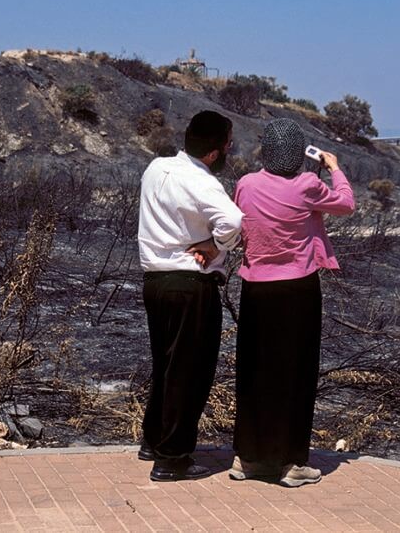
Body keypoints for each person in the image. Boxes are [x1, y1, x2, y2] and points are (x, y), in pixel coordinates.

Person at [229, 118, 355, 487]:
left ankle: (248, 458)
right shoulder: (308, 184)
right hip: (297, 289)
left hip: (255, 289)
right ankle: (291, 462)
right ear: (300, 153)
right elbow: (346, 204)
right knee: (295, 375)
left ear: (266, 150)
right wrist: (334, 169)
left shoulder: (245, 184)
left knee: (254, 372)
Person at [137, 110, 244, 481]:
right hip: (190, 283)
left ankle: (153, 439)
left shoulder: (155, 168)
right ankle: (173, 457)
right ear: (215, 152)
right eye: (228, 144)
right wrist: (216, 245)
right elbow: (234, 221)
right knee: (190, 371)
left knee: (165, 364)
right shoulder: (204, 181)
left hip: (154, 281)